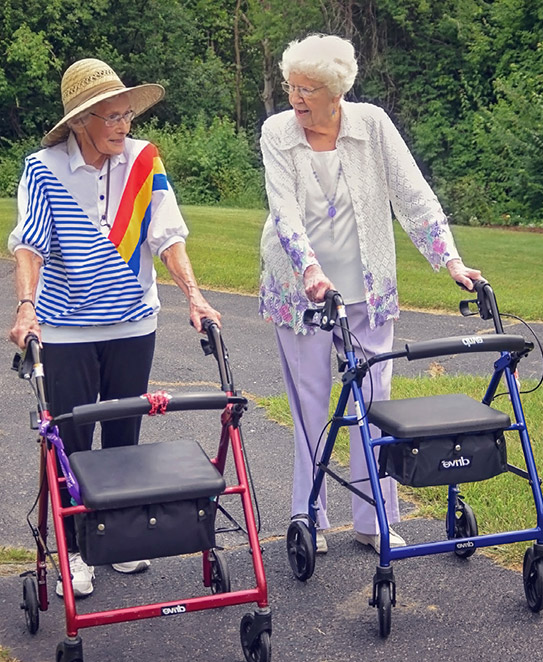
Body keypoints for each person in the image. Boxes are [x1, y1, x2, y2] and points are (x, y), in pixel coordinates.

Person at [259, 35, 482, 554]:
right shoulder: (277, 132)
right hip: (301, 292)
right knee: (313, 407)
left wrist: (449, 259)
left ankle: (372, 517)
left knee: (373, 404)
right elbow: (284, 211)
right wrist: (311, 270)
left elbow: (413, 195)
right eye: (291, 86)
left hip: (368, 288)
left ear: (336, 91)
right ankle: (308, 516)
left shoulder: (372, 125)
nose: (295, 99)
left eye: (307, 90)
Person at [8, 58, 221, 597]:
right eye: (112, 116)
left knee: (125, 433)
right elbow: (29, 245)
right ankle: (75, 550)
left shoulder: (144, 161)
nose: (124, 125)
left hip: (133, 322)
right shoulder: (43, 168)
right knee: (72, 441)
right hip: (65, 328)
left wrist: (194, 297)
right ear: (81, 120)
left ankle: (121, 539)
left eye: (127, 114)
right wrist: (25, 307)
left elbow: (168, 236)